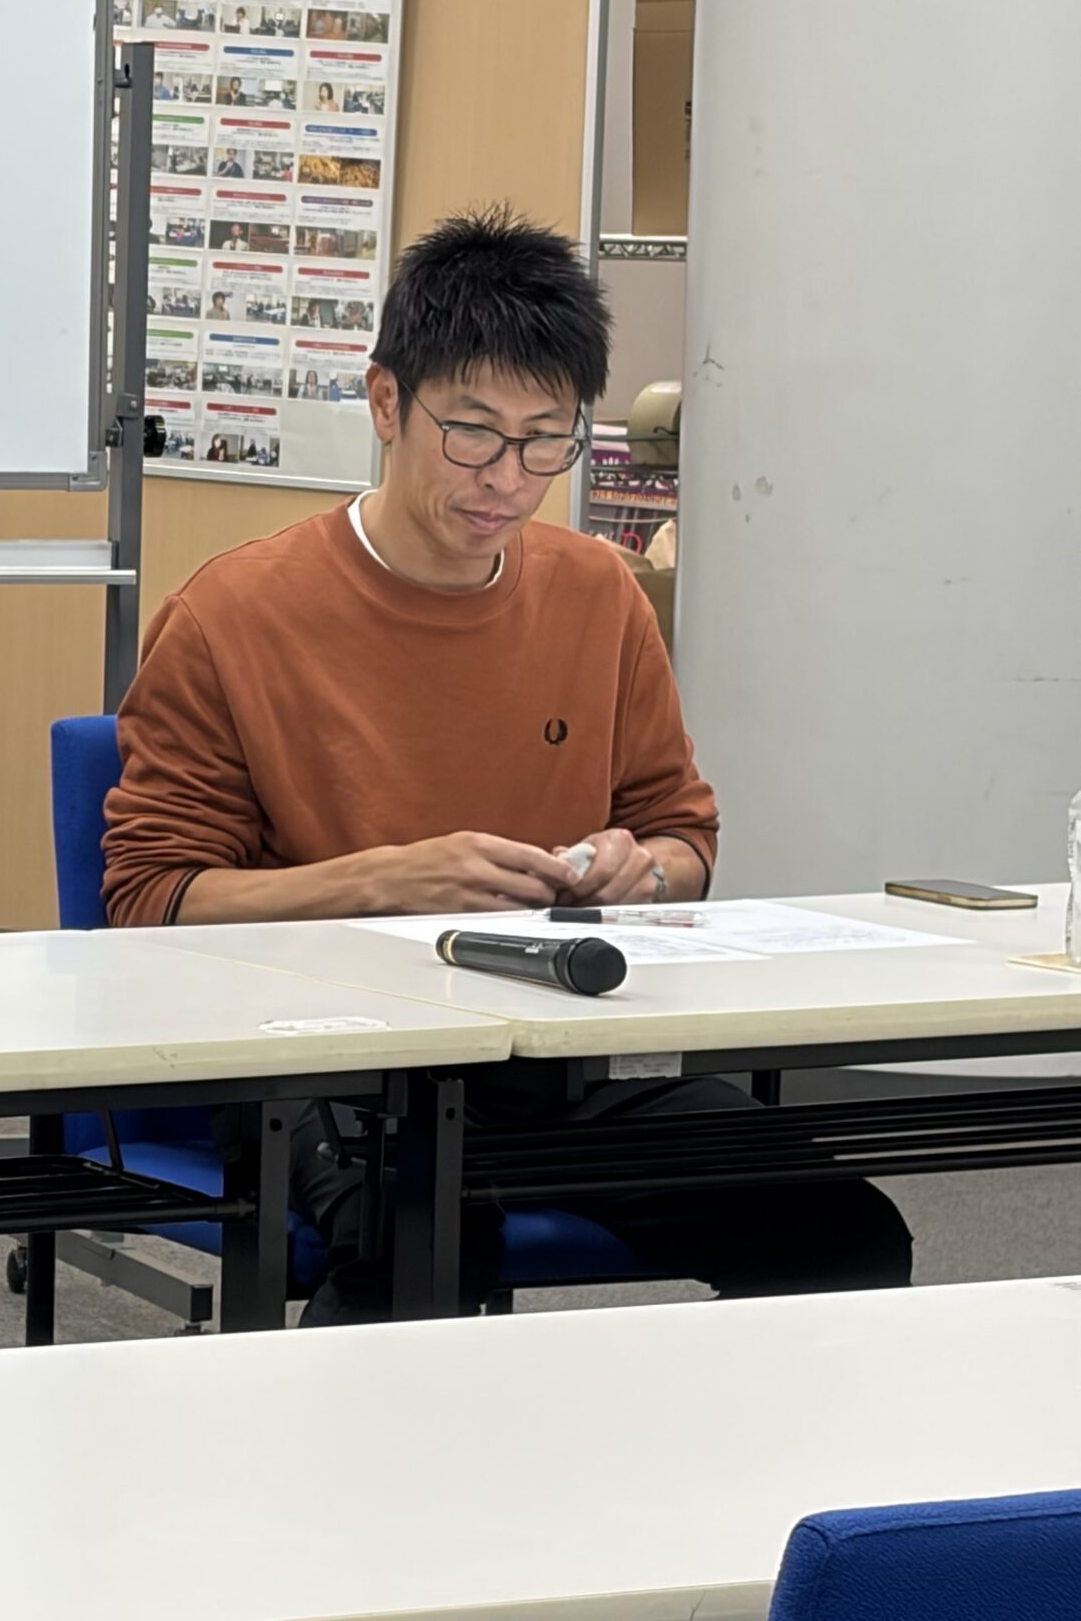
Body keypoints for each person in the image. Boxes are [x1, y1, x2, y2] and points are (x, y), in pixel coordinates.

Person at [103, 208, 912, 1325]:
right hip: (324, 1057)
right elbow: (150, 901)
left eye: (545, 441)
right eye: (474, 434)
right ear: (387, 403)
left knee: (838, 1231)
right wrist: (382, 882)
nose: (509, 479)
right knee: (420, 1242)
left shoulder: (598, 593)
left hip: (555, 1057)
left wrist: (643, 870)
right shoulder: (232, 613)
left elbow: (684, 834)